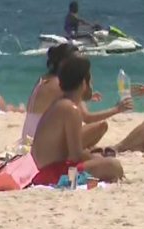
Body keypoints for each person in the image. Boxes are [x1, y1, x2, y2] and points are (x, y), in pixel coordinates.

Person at [29, 56, 124, 185]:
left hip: (45, 171)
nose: (91, 86)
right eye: (90, 81)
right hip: (54, 175)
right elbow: (75, 156)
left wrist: (94, 158)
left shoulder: (61, 104)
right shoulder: (71, 109)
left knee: (101, 161)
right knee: (113, 165)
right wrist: (95, 159)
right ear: (83, 83)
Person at [21, 43, 132, 144]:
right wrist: (117, 109)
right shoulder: (59, 83)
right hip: (39, 142)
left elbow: (57, 100)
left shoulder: (45, 79)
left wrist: (83, 96)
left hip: (29, 137)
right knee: (100, 127)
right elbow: (87, 118)